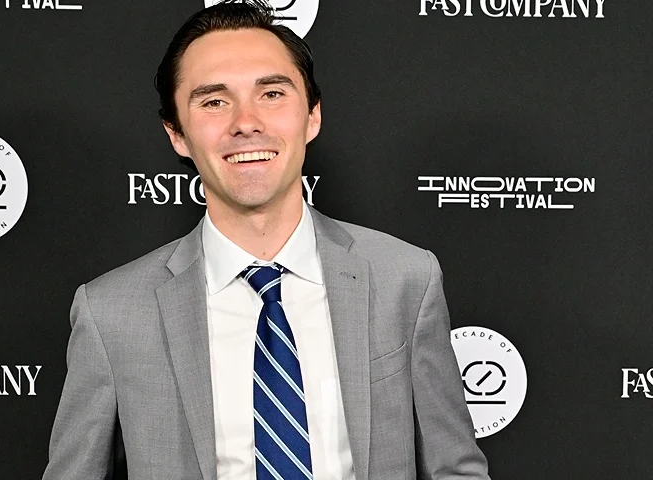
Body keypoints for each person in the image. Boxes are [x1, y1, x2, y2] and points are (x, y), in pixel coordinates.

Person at [42, 1, 490, 479]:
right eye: (214, 102)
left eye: (272, 93)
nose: (246, 121)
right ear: (177, 134)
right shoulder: (110, 313)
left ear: (312, 116)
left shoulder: (406, 280)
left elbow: (454, 469)